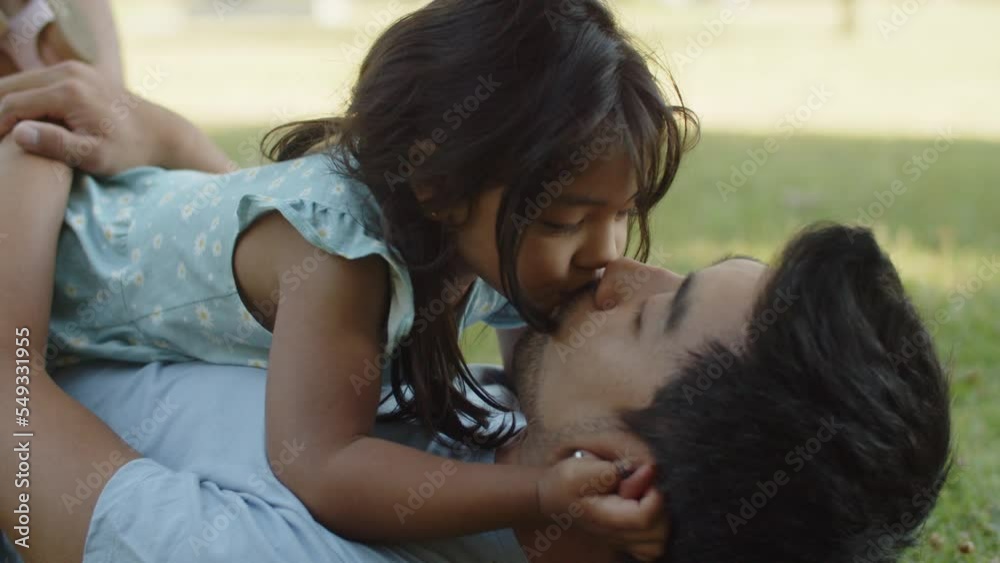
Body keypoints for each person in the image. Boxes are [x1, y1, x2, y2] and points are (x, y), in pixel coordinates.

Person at [0, 0, 701, 560]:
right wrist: (538, 492)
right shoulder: (347, 257)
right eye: (566, 221)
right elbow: (322, 464)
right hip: (58, 239)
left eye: (623, 213)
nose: (605, 254)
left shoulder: (489, 240)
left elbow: (538, 384)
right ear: (439, 185)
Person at [0, 222, 951, 563]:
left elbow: (24, 454)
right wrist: (150, 134)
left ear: (629, 483)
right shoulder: (507, 426)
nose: (621, 269)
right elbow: (300, 313)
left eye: (652, 316)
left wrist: (28, 191)